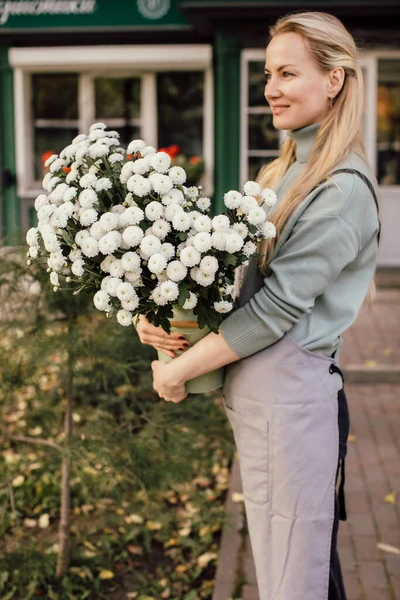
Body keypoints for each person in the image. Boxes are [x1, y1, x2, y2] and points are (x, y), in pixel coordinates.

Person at [136, 11, 380, 600]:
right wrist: (166, 324)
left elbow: (273, 312)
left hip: (296, 408)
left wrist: (176, 373)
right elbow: (235, 292)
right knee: (299, 571)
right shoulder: (284, 169)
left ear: (334, 79)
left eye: (287, 73)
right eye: (268, 73)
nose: (270, 88)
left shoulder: (340, 188)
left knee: (298, 579)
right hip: (268, 406)